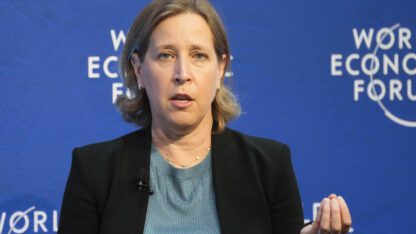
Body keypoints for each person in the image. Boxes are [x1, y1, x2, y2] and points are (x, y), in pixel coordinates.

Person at [58, 0, 352, 233]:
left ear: (221, 68)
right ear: (138, 69)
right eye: (166, 55)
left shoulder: (268, 167)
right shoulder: (94, 170)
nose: (182, 74)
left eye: (199, 55)